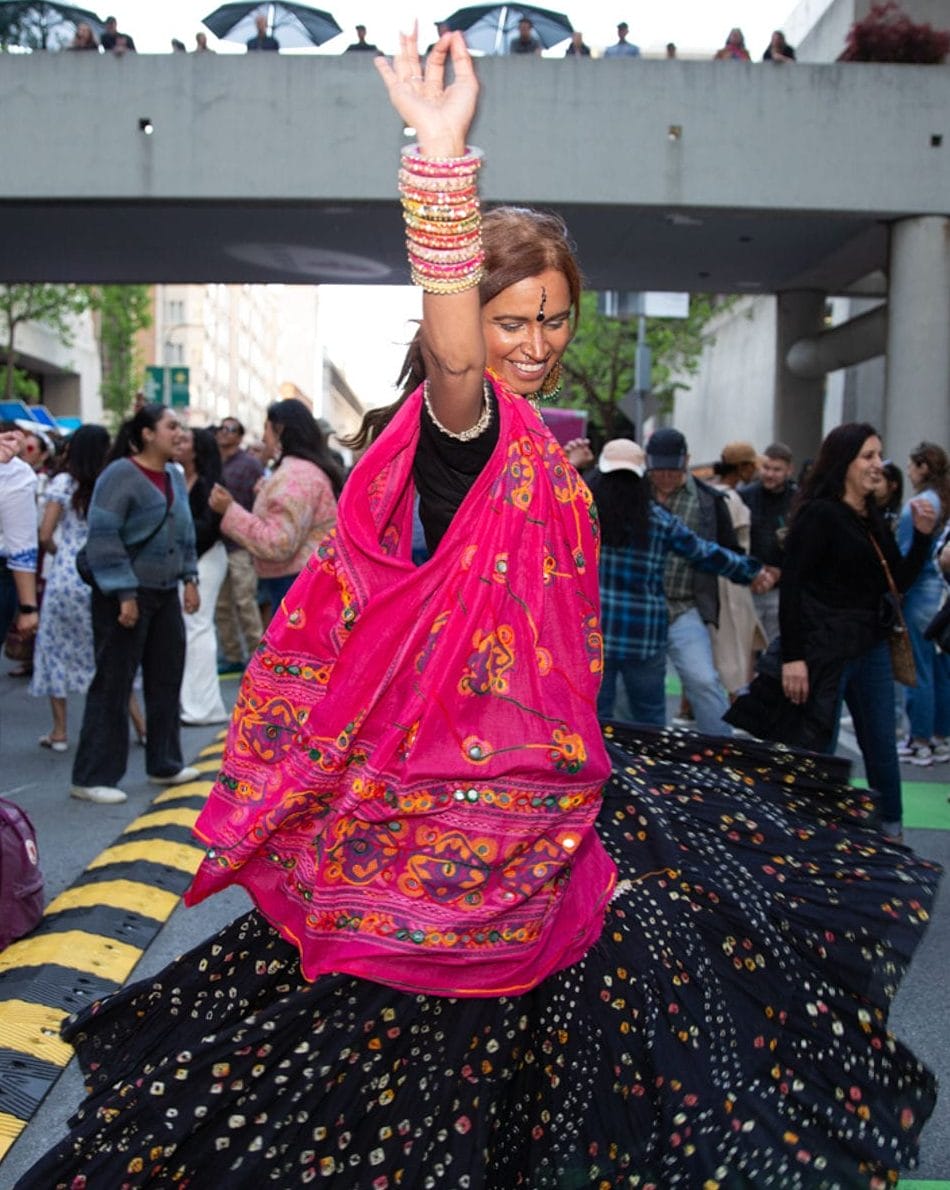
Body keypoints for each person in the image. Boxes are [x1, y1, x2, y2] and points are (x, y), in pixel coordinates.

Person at [17, 33, 939, 1190]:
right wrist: (441, 167)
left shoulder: (546, 448)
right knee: (424, 1065)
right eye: (513, 321)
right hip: (466, 822)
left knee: (543, 1051)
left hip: (540, 788)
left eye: (554, 321)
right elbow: (457, 357)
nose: (536, 345)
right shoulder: (471, 428)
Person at [727, 423, 937, 838]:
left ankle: (891, 835)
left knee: (881, 749)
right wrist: (794, 659)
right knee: (815, 746)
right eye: (869, 456)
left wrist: (925, 540)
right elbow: (794, 590)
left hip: (870, 647)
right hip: (824, 648)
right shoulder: (819, 514)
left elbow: (896, 579)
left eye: (879, 456)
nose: (879, 465)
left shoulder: (870, 516)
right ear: (845, 462)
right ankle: (806, 838)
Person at [69, 405, 200, 805]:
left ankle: (164, 763)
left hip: (164, 593)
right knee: (113, 682)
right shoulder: (120, 475)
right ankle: (91, 776)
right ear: (146, 433)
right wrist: (124, 593)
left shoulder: (174, 476)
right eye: (171, 426)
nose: (180, 433)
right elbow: (103, 537)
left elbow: (185, 530)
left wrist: (190, 577)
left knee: (166, 676)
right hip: (124, 594)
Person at [591, 438, 762, 724]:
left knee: (599, 717)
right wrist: (750, 570)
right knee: (650, 718)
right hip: (644, 636)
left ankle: (608, 768)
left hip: (597, 634)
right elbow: (704, 553)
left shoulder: (584, 515)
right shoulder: (656, 519)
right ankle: (655, 766)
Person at [209, 398, 341, 624]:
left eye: (266, 429)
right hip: (300, 581)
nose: (263, 438)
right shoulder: (299, 471)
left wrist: (230, 510)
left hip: (295, 584)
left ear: (280, 430)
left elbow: (278, 543)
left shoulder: (297, 476)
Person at [646, 426, 743, 734]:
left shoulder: (708, 501)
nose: (663, 477)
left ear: (686, 461)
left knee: (703, 680)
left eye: (671, 470)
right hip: (641, 605)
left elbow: (729, 549)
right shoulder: (633, 492)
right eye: (657, 470)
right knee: (638, 689)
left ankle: (722, 754)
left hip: (685, 606)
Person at [29, 424, 111, 753]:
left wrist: (58, 553)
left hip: (65, 574)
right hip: (100, 574)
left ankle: (60, 731)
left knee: (55, 650)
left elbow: (45, 534)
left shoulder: (63, 483)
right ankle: (137, 724)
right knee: (105, 653)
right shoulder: (108, 482)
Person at [897, 441, 950, 766]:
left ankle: (919, 740)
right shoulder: (944, 501)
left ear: (923, 468)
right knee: (942, 669)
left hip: (919, 594)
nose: (908, 471)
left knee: (918, 669)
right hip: (943, 597)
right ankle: (940, 737)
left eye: (912, 465)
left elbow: (907, 556)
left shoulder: (918, 505)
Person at [176, 427, 229, 727]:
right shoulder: (176, 478)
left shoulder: (210, 484)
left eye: (184, 440)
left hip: (205, 559)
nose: (178, 443)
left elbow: (209, 529)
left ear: (197, 451)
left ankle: (203, 706)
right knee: (190, 628)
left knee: (197, 626)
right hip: (189, 561)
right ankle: (192, 702)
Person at [708, 441, 768, 698]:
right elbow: (737, 544)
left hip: (720, 578)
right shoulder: (730, 498)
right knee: (735, 650)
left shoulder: (710, 492)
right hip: (733, 582)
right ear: (742, 467)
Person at [213, 416, 265, 674]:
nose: (223, 432)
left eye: (230, 428)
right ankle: (232, 654)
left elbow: (260, 501)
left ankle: (258, 657)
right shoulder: (212, 461)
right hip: (217, 544)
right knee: (222, 604)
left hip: (241, 544)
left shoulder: (249, 464)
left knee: (246, 602)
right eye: (220, 427)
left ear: (240, 435)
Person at [739, 440, 797, 644]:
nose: (770, 474)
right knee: (745, 650)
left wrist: (780, 572)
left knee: (778, 649)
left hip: (782, 590)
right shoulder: (744, 497)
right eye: (766, 468)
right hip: (748, 585)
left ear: (789, 470)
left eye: (777, 469)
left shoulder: (798, 501)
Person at [0, 431, 39, 657]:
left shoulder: (13, 472)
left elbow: (20, 545)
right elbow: (21, 545)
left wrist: (27, 607)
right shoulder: (14, 473)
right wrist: (28, 607)